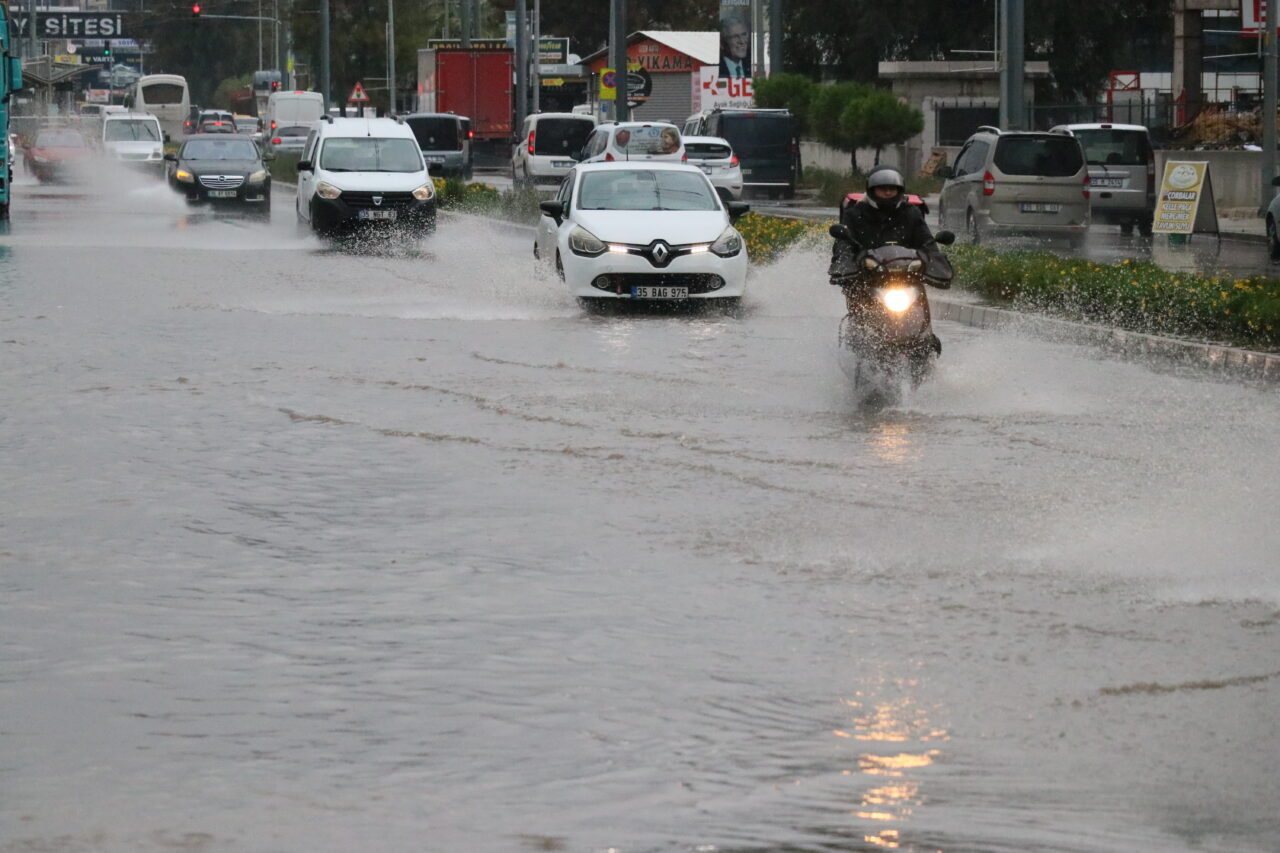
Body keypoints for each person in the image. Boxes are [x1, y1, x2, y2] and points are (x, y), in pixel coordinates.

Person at [829, 166, 952, 314]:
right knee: (858, 306)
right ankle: (858, 332)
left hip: (907, 278)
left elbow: (926, 242)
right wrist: (845, 264)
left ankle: (925, 334)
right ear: (872, 189)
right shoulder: (855, 214)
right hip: (867, 277)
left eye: (892, 189)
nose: (887, 192)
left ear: (899, 190)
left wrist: (935, 262)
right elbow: (844, 244)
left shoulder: (911, 213)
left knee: (921, 309)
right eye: (882, 188)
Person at [718, 13, 752, 79]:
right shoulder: (717, 69)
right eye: (735, 37)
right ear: (722, 44)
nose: (742, 41)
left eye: (744, 34)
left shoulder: (751, 66)